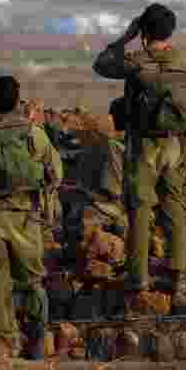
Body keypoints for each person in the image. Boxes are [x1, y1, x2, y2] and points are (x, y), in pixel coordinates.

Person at [92, 3, 186, 316]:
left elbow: (101, 65)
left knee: (139, 210)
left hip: (144, 146)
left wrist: (125, 38)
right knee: (175, 209)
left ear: (144, 31)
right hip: (175, 145)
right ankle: (178, 283)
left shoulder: (136, 62)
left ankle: (139, 282)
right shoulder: (183, 62)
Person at [0, 75, 63, 359]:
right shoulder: (33, 133)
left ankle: (1, 344)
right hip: (27, 217)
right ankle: (37, 343)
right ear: (18, 101)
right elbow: (55, 174)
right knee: (33, 280)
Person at [59, 96, 128, 267]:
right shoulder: (111, 147)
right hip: (100, 210)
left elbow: (110, 193)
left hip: (96, 211)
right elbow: (111, 191)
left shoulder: (103, 147)